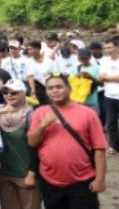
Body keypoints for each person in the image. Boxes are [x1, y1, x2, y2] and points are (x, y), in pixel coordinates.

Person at [27, 74, 106, 209]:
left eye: (59, 87)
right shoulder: (40, 113)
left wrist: (100, 180)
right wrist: (43, 125)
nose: (55, 91)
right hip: (50, 182)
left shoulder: (87, 113)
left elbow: (99, 148)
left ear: (69, 89)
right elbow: (32, 143)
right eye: (50, 88)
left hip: (82, 181)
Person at [0, 80, 38, 209]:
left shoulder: (31, 115)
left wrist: (32, 173)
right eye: (5, 92)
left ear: (23, 94)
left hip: (26, 175)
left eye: (14, 92)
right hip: (5, 175)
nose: (9, 95)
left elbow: (36, 147)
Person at [99, 37, 119, 153]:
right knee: (111, 122)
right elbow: (101, 77)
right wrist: (114, 78)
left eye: (109, 47)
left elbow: (105, 77)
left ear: (117, 48)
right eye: (105, 48)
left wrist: (108, 77)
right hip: (109, 96)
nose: (107, 50)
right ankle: (113, 145)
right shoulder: (104, 61)